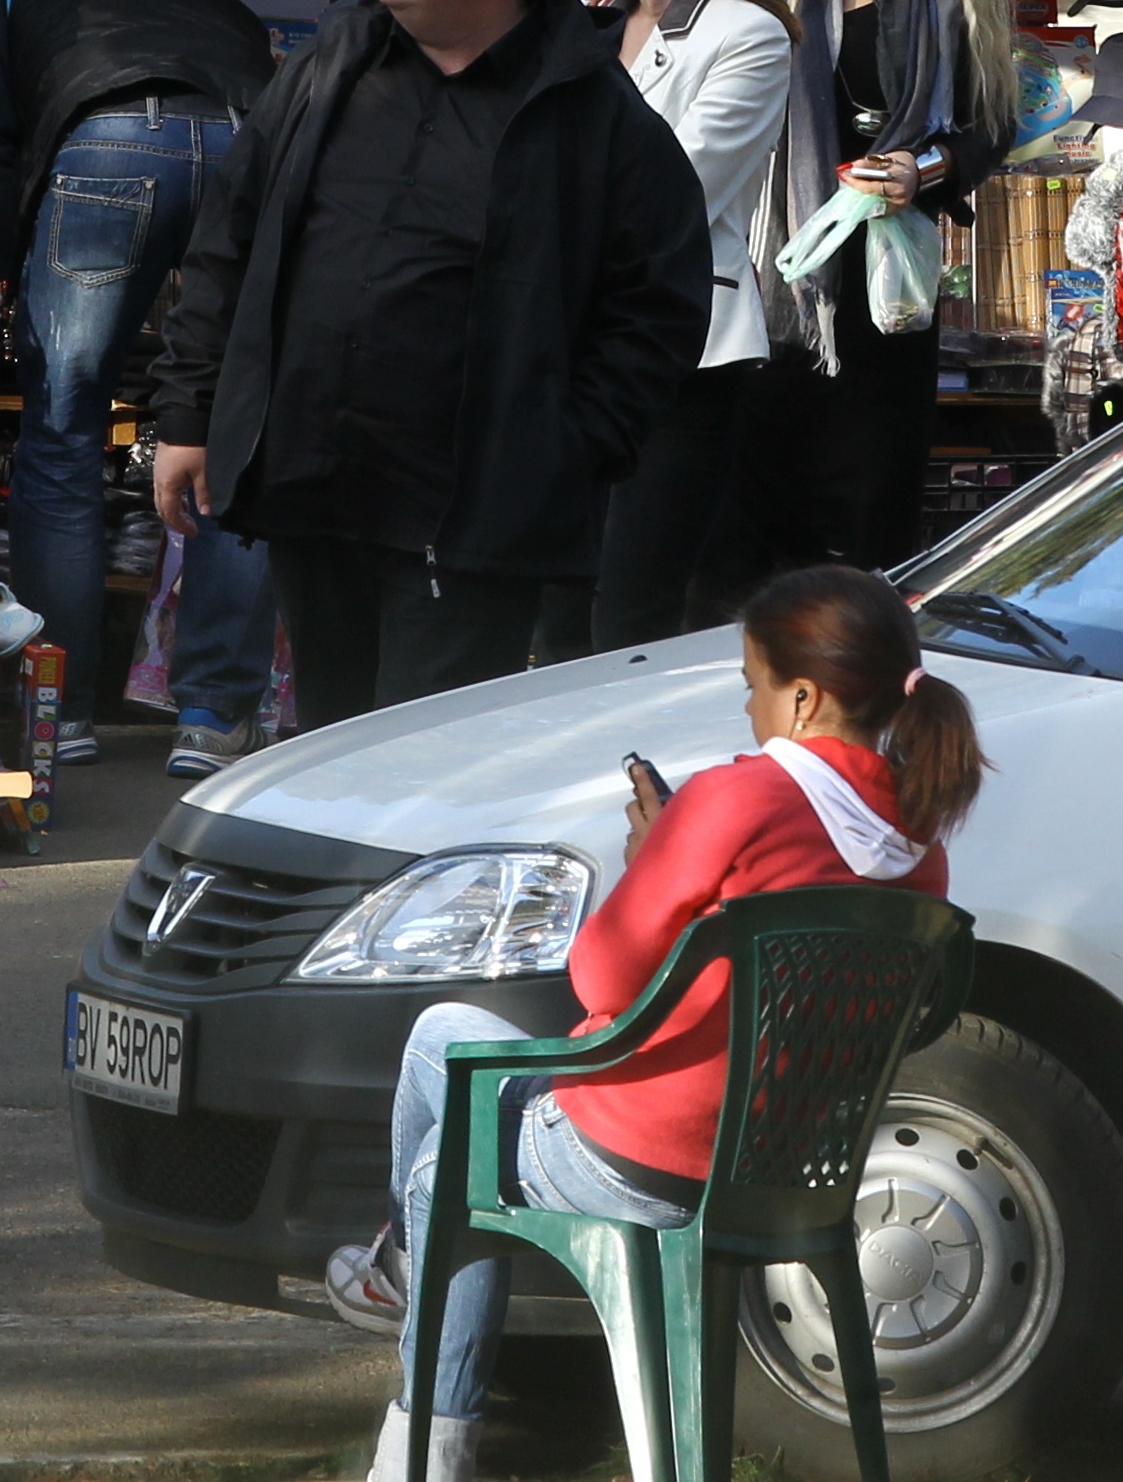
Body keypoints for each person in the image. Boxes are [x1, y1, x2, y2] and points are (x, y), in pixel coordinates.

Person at [324, 565, 984, 1482]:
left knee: (444, 1168)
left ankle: (421, 1453)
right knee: (442, 1030)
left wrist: (652, 857)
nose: (748, 707)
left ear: (800, 696)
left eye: (751, 686)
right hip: (790, 1164)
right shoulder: (920, 848)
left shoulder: (735, 798)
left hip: (649, 1154)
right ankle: (397, 1264)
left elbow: (599, 979)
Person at [148, 0, 708, 728]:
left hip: (471, 519)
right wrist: (187, 414)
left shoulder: (589, 111)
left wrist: (563, 446)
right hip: (316, 492)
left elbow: (662, 301)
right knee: (327, 753)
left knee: (422, 769)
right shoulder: (333, 66)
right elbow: (229, 239)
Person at [0, 0, 283, 775]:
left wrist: (17, 264)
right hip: (244, 144)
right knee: (233, 428)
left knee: (63, 433)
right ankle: (209, 718)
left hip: (107, 148)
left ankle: (63, 708)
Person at [724, 0, 1022, 582]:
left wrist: (925, 166)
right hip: (773, 280)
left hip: (890, 286)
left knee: (870, 538)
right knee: (755, 538)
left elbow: (992, 119)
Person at [547, 0, 797, 654]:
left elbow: (674, 196)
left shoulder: (747, 33)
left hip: (681, 357)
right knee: (552, 605)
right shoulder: (580, 27)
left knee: (629, 612)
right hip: (565, 348)